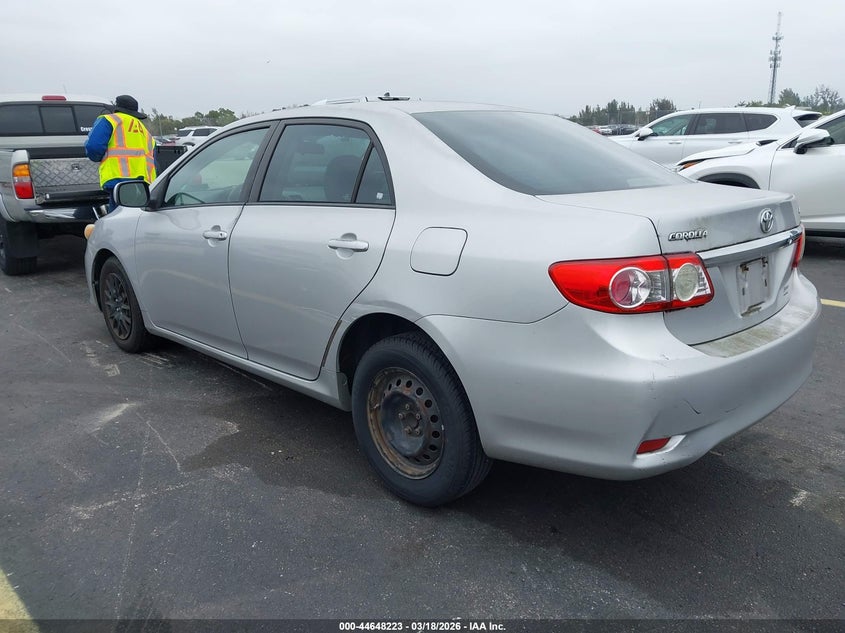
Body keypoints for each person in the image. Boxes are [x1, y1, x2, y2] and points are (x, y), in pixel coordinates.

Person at [85, 94, 157, 213]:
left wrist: (99, 158)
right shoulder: (142, 129)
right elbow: (153, 155)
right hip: (143, 185)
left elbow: (93, 148)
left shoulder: (110, 120)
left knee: (118, 221)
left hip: (119, 182)